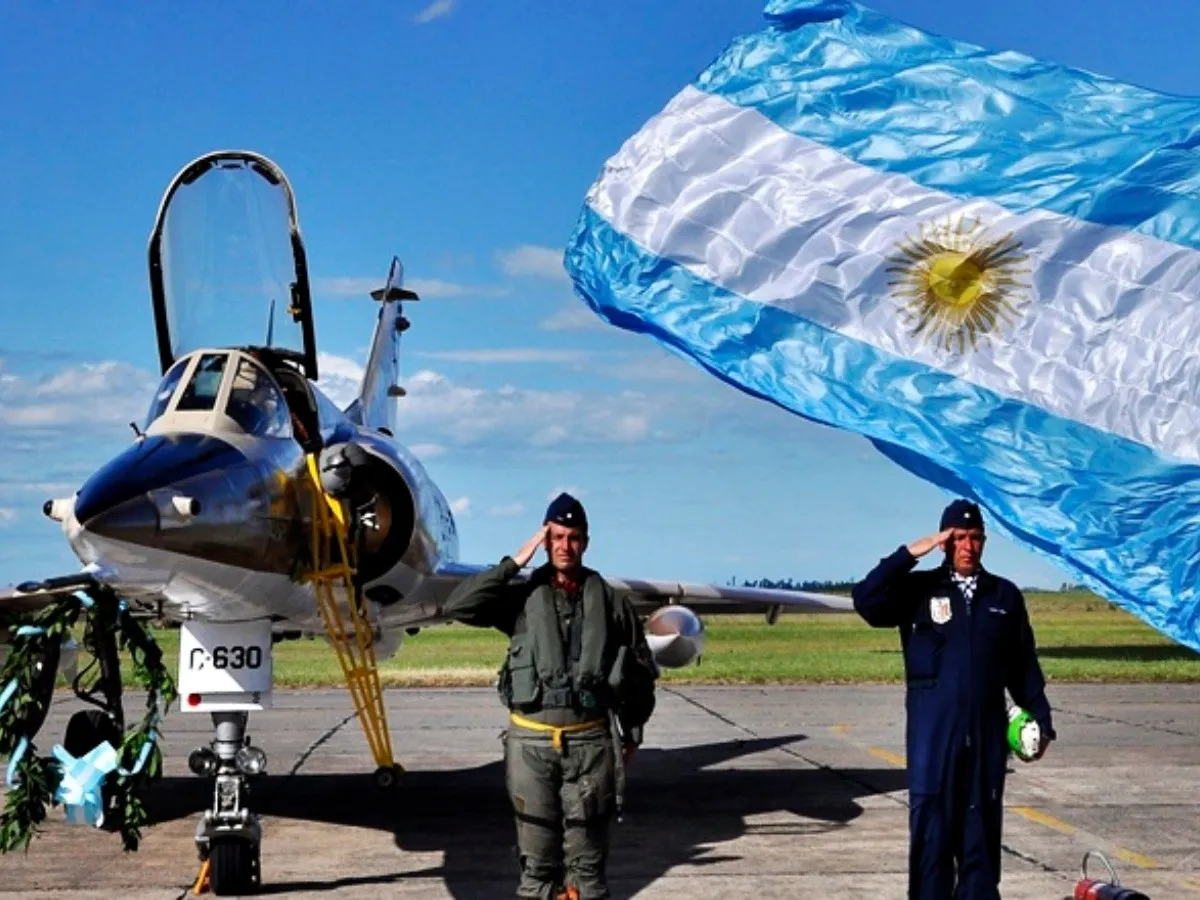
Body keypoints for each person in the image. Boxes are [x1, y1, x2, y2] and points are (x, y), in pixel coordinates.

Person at [442, 493, 658, 900]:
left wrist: (632, 733)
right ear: (545, 541)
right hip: (532, 744)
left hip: (590, 743)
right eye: (556, 537)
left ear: (586, 542)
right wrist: (514, 562)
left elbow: (640, 671)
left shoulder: (611, 601)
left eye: (573, 537)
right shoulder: (521, 596)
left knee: (588, 868)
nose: (565, 546)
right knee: (537, 866)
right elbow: (459, 605)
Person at [852, 498, 1055, 900]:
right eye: (958, 538)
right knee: (931, 841)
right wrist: (911, 552)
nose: (968, 545)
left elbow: (1023, 666)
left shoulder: (1004, 596)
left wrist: (1042, 721)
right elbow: (866, 599)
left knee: (980, 844)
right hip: (934, 739)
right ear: (945, 542)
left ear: (984, 542)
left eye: (975, 538)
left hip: (986, 738)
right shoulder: (917, 590)